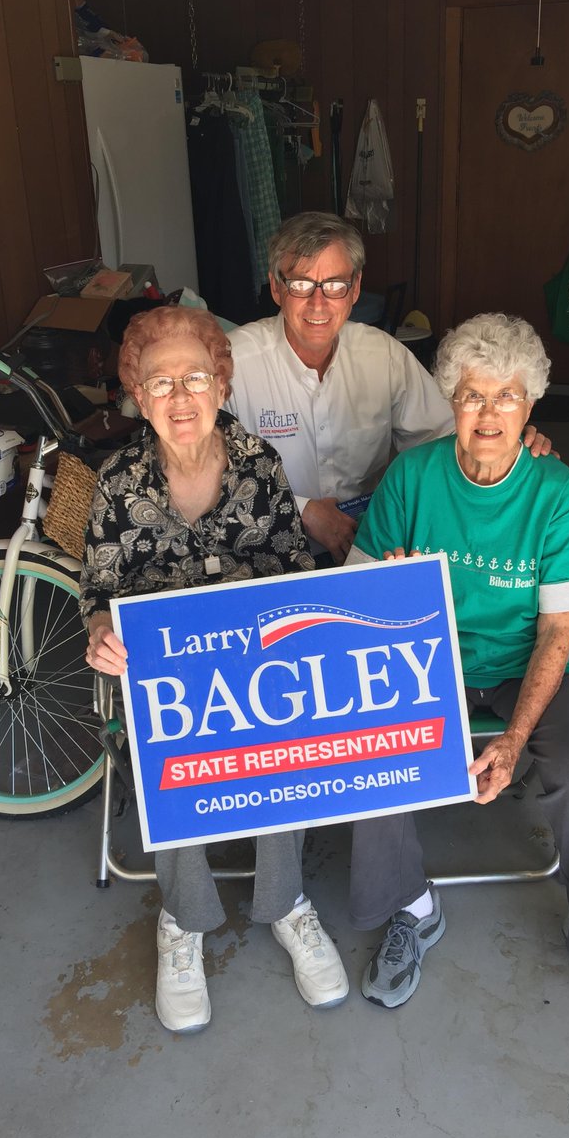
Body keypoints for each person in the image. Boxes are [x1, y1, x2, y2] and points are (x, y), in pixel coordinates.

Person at [344, 313, 569, 1019]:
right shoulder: (413, 476)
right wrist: (390, 588)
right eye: (472, 395)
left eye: (506, 396)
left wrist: (511, 739)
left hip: (526, 663)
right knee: (367, 753)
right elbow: (354, 600)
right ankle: (412, 909)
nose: (488, 413)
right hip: (427, 657)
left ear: (530, 404)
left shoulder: (556, 492)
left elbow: (557, 633)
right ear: (450, 401)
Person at [80, 305, 349, 1035]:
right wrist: (102, 630)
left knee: (281, 724)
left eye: (194, 377)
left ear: (221, 386)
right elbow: (98, 595)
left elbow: (295, 571)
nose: (179, 397)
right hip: (167, 688)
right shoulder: (116, 484)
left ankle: (287, 903)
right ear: (137, 395)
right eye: (158, 382)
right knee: (162, 740)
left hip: (254, 678)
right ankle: (184, 918)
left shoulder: (259, 464)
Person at [227, 212, 552, 563]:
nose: (318, 303)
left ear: (355, 288)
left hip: (371, 539)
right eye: (301, 284)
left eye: (335, 285)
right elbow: (201, 474)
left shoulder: (383, 355)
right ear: (276, 287)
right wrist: (303, 510)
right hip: (265, 548)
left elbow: (447, 437)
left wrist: (508, 439)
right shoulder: (234, 364)